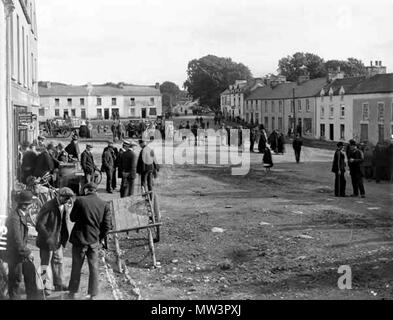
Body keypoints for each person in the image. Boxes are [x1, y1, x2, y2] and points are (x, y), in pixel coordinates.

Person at [67, 183, 112, 300]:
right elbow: (107, 226)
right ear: (96, 191)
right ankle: (93, 294)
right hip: (93, 241)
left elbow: (72, 218)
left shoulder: (80, 200)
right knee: (94, 268)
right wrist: (99, 238)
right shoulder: (104, 204)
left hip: (79, 240)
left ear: (86, 190)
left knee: (76, 267)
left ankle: (72, 292)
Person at [35, 187, 75, 295]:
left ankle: (59, 284)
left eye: (69, 199)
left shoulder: (64, 206)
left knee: (58, 262)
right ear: (59, 196)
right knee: (45, 265)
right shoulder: (48, 206)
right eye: (66, 198)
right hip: (47, 242)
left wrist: (61, 239)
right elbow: (39, 225)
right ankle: (43, 287)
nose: (68, 201)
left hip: (57, 241)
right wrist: (48, 237)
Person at [6, 191, 39, 300]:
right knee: (15, 281)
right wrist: (28, 253)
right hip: (14, 255)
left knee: (31, 275)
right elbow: (17, 240)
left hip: (21, 253)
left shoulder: (22, 214)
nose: (32, 206)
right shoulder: (14, 218)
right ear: (25, 205)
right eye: (31, 204)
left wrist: (26, 252)